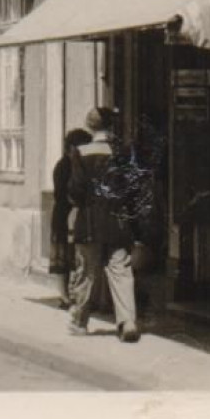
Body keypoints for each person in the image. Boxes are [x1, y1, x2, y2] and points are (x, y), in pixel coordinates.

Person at [67, 108, 140, 343]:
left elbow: (76, 189)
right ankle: (127, 321)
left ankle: (79, 322)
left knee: (86, 272)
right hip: (117, 222)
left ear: (90, 127)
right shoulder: (122, 153)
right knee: (121, 271)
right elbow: (132, 189)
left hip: (89, 222)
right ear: (111, 127)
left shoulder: (80, 153)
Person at [52, 129, 91, 308]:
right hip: (64, 215)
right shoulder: (63, 166)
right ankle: (63, 295)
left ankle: (72, 293)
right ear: (73, 147)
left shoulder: (79, 164)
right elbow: (61, 193)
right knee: (62, 259)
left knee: (74, 257)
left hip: (75, 214)